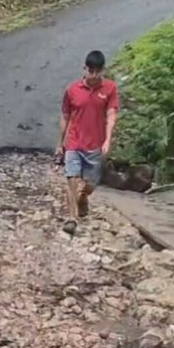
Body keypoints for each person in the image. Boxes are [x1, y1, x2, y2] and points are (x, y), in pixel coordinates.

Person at [55, 50, 120, 233]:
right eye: (90, 71)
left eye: (97, 71)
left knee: (90, 184)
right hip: (74, 142)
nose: (93, 75)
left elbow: (111, 114)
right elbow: (65, 116)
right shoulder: (72, 90)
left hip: (95, 145)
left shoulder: (110, 89)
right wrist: (60, 144)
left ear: (102, 71)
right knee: (71, 178)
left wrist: (108, 139)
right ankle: (71, 218)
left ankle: (84, 197)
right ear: (84, 69)